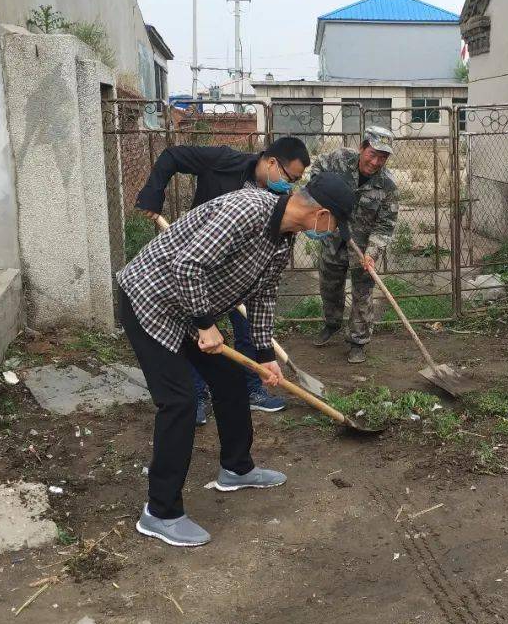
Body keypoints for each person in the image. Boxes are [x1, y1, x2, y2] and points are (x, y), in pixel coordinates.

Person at [118, 173, 354, 547]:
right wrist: (205, 324)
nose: (332, 232)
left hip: (187, 309)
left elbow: (263, 298)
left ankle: (236, 468)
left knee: (230, 380)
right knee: (178, 401)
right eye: (335, 224)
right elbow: (189, 265)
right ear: (322, 215)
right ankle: (160, 512)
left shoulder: (282, 241)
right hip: (150, 299)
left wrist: (263, 356)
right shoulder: (245, 210)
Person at [135, 136, 311, 422]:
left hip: (239, 276)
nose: (289, 185)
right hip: (198, 268)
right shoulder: (223, 161)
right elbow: (173, 156)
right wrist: (154, 193)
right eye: (289, 177)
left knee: (247, 329)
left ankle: (253, 389)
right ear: (271, 162)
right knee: (199, 331)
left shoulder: (280, 199)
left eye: (295, 181)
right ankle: (198, 397)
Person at [308, 126, 399, 364]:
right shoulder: (338, 159)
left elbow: (385, 225)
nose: (376, 161)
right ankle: (332, 324)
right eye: (372, 154)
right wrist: (322, 200)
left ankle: (358, 341)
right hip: (333, 240)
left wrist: (372, 253)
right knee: (329, 286)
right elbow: (316, 172)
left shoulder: (388, 185)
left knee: (363, 295)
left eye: (383, 157)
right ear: (362, 147)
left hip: (362, 249)